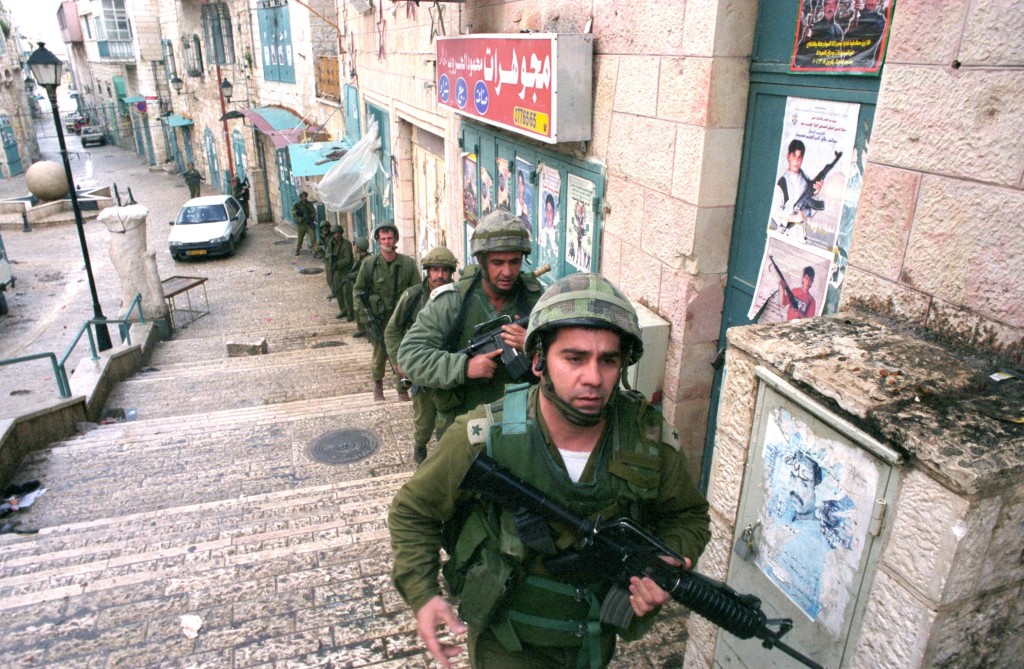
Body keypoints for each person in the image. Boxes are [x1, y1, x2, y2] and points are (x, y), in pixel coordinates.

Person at [389, 272, 712, 669]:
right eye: (574, 358)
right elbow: (413, 510)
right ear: (538, 360)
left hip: (591, 644)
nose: (593, 378)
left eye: (608, 360)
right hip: (505, 643)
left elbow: (688, 516)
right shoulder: (485, 433)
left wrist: (666, 562)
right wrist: (422, 594)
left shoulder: (648, 438)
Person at [398, 210, 542, 437]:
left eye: (515, 262)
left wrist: (535, 345)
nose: (507, 272)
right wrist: (464, 367)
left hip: (521, 423)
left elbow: (571, 357)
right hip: (464, 426)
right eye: (497, 263)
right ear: (481, 261)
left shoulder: (536, 300)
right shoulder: (452, 302)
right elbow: (409, 356)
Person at [384, 246, 458, 463]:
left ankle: (444, 460)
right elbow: (392, 330)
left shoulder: (458, 296)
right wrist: (400, 360)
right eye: (434, 270)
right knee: (424, 421)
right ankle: (420, 447)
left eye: (445, 270)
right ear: (427, 271)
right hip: (422, 372)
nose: (439, 276)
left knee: (448, 423)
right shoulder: (412, 296)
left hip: (448, 369)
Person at [354, 222, 419, 402]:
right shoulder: (369, 265)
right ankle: (378, 385)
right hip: (378, 319)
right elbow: (358, 292)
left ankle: (402, 389)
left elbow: (417, 293)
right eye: (383, 239)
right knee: (380, 352)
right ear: (377, 241)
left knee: (402, 352)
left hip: (401, 320)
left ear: (396, 240)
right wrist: (364, 318)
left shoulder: (408, 265)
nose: (387, 242)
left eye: (390, 238)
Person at [769, 139, 822, 237]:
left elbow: (811, 210)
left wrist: (815, 193)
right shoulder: (782, 182)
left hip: (801, 234)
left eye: (799, 157)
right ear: (788, 157)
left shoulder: (807, 180)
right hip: (784, 233)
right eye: (794, 156)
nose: (796, 161)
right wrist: (793, 218)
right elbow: (775, 211)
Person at [328, 224, 355, 318]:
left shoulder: (346, 244)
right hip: (336, 272)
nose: (336, 235)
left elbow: (348, 259)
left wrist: (337, 263)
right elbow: (327, 254)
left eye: (338, 233)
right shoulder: (331, 244)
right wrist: (330, 259)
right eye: (335, 234)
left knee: (347, 293)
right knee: (338, 292)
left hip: (345, 271)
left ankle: (351, 312)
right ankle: (343, 310)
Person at [347, 237, 371, 335]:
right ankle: (362, 329)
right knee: (358, 308)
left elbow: (361, 274)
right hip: (358, 285)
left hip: (364, 287)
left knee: (361, 309)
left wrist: (351, 275)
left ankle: (366, 330)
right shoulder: (359, 257)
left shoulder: (367, 260)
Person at [291, 191, 317, 256]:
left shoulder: (309, 204)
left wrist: (311, 218)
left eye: (305, 196)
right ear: (300, 197)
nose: (304, 198)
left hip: (308, 224)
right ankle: (298, 249)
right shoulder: (297, 204)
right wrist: (300, 217)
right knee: (300, 238)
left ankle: (315, 251)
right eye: (303, 197)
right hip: (301, 224)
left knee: (313, 238)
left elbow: (313, 212)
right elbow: (293, 213)